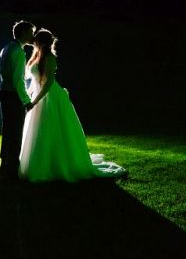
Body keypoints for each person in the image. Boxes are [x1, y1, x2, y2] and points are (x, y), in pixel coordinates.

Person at [19, 28, 126, 182]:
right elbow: (35, 82)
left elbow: (48, 83)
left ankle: (56, 164)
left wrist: (34, 102)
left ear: (41, 43)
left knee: (51, 129)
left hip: (50, 97)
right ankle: (41, 164)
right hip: (38, 95)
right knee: (39, 130)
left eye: (36, 40)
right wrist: (29, 96)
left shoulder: (49, 58)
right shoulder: (36, 56)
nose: (33, 41)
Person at [0, 20, 36, 182]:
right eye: (30, 32)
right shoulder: (19, 52)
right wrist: (27, 101)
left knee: (8, 129)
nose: (33, 36)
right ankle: (12, 168)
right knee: (15, 131)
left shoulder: (7, 48)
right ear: (23, 33)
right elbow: (18, 81)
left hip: (4, 92)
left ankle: (4, 164)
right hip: (13, 96)